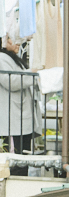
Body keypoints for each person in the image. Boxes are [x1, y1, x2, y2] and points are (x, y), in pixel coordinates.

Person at [0, 38, 40, 177]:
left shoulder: (11, 58)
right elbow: (11, 81)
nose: (18, 42)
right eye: (13, 39)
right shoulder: (1, 58)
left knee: (22, 158)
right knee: (16, 158)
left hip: (20, 118)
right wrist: (32, 74)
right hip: (13, 119)